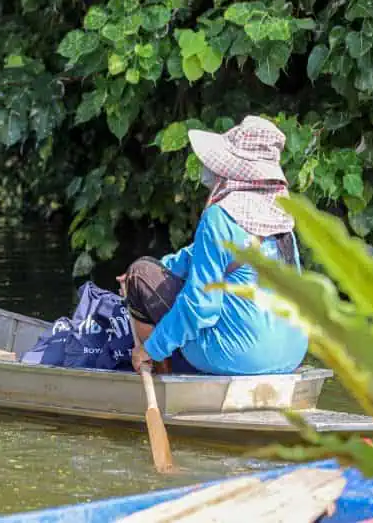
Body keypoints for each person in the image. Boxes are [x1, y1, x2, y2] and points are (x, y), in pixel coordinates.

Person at [119, 115, 308, 376]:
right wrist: (163, 267)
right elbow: (207, 255)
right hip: (292, 353)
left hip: (239, 356)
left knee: (140, 273)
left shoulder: (219, 217)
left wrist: (149, 348)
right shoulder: (282, 215)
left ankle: (161, 371)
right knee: (146, 273)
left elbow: (201, 307)